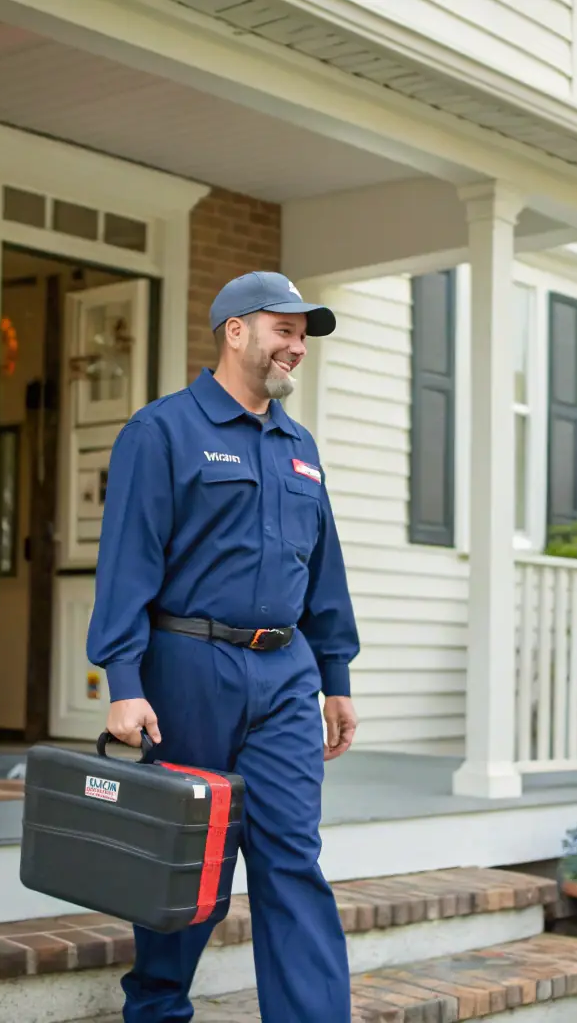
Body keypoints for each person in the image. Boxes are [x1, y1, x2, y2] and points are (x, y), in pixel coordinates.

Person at [86, 271, 360, 1022]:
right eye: (285, 330)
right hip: (186, 671)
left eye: (304, 336)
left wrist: (334, 677)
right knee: (187, 865)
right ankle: (157, 1010)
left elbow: (323, 572)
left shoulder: (298, 447)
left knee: (291, 864)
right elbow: (128, 563)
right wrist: (123, 680)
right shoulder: (162, 431)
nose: (297, 347)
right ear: (235, 330)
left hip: (285, 675)